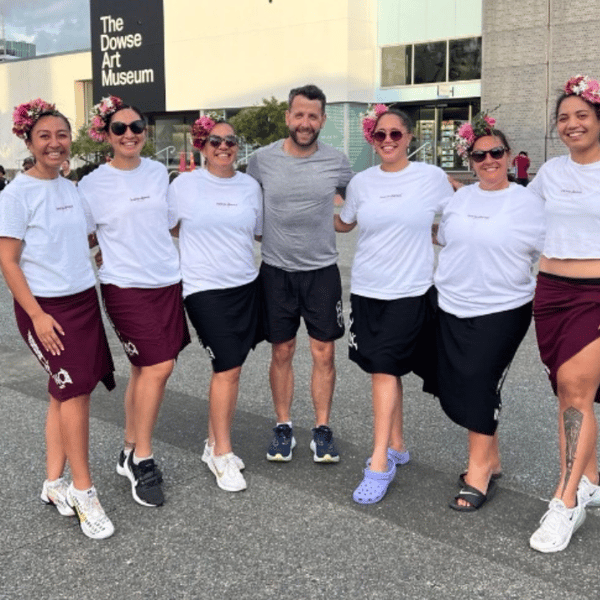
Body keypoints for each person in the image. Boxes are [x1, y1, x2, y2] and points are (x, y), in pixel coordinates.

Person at [0, 99, 115, 539]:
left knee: (61, 393)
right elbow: (8, 262)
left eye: (61, 135)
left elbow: (84, 235)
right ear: (28, 141)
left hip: (82, 301)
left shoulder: (70, 188)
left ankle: (54, 484)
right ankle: (84, 491)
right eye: (44, 136)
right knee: (76, 394)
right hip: (46, 310)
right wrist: (37, 316)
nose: (54, 143)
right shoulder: (16, 195)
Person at [334, 105, 453, 503]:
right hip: (368, 290)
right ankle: (398, 443)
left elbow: (460, 207)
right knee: (383, 370)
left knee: (384, 369)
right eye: (379, 135)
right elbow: (345, 221)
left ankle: (379, 461)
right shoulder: (362, 183)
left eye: (395, 134)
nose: (386, 141)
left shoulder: (431, 177)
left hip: (410, 291)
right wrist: (302, 204)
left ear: (409, 137)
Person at [78, 95, 190, 508]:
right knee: (160, 365)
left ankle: (128, 448)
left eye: (137, 127)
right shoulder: (91, 184)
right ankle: (143, 457)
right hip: (124, 285)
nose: (130, 134)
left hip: (166, 279)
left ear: (145, 132)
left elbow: (170, 224)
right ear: (107, 135)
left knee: (146, 369)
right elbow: (85, 234)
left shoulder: (160, 172)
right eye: (120, 128)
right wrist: (100, 247)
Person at [433, 114, 545, 511]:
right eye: (479, 155)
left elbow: (542, 252)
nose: (488, 160)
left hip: (503, 307)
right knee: (464, 382)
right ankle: (492, 459)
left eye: (496, 152)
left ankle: (477, 472)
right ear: (471, 160)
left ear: (509, 156)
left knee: (479, 382)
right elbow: (445, 238)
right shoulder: (460, 198)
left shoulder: (528, 202)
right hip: (452, 305)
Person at [247, 84, 353, 463]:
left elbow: (357, 201)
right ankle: (284, 426)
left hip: (322, 272)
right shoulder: (261, 160)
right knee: (282, 350)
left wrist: (342, 223)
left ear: (322, 119)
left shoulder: (337, 161)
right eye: (299, 115)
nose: (305, 122)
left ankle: (322, 429)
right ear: (288, 117)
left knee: (324, 352)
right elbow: (246, 202)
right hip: (276, 272)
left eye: (313, 116)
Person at [169, 117, 263, 492]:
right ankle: (222, 452)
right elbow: (170, 227)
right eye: (214, 141)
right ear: (201, 146)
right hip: (203, 288)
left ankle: (212, 444)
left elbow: (258, 231)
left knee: (232, 368)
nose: (223, 147)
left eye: (230, 141)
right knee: (227, 365)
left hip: (244, 285)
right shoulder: (184, 185)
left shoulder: (250, 186)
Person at [527, 75, 600, 552]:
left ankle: (566, 499)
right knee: (567, 393)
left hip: (596, 293)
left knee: (576, 389)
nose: (571, 124)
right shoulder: (551, 172)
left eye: (582, 115)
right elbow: (517, 214)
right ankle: (590, 479)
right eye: (563, 118)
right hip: (550, 291)